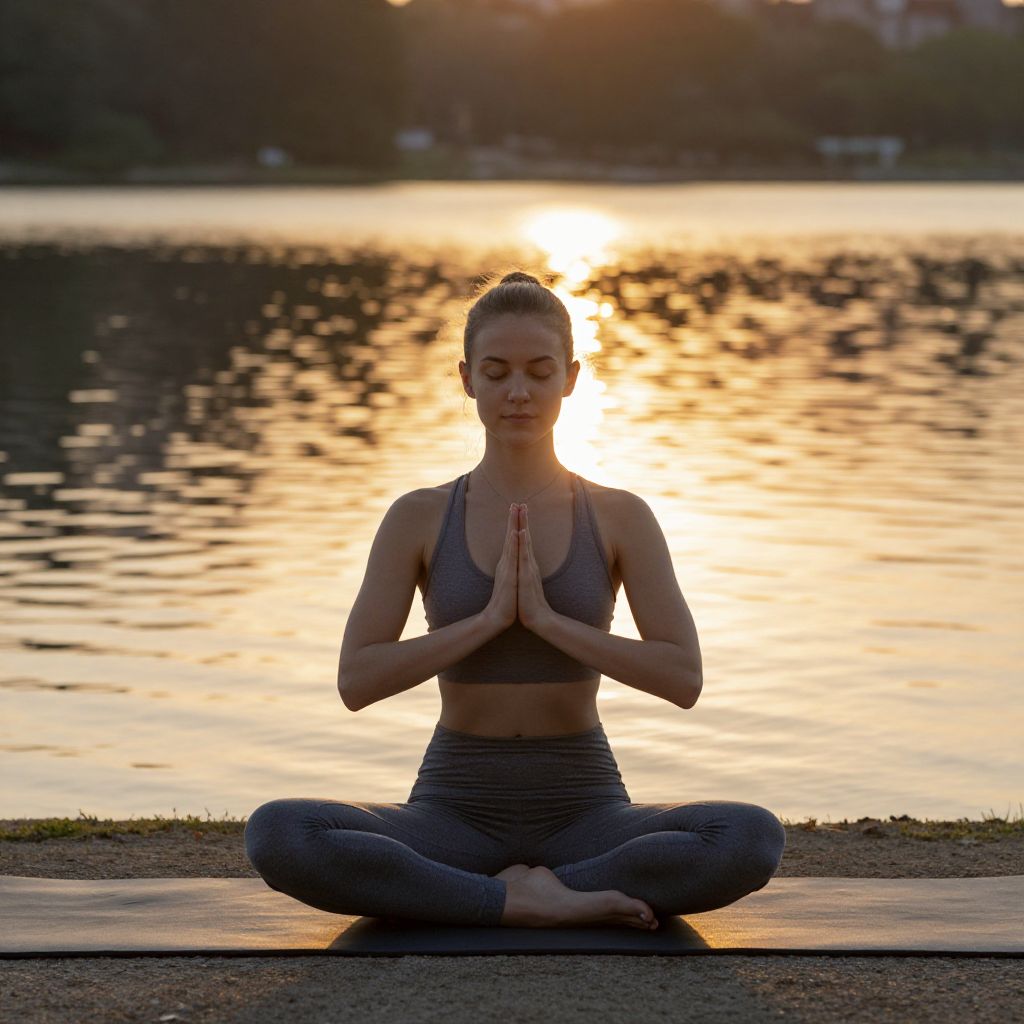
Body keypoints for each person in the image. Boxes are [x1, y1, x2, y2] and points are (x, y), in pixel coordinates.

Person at [244, 270, 786, 930]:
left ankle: (502, 894)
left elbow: (682, 677)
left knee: (748, 837)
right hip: (451, 808)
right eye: (497, 373)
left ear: (572, 378)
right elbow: (357, 680)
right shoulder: (418, 517)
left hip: (586, 808)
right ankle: (521, 900)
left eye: (539, 371)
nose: (519, 392)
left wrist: (550, 622)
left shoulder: (619, 516)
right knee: (281, 834)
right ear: (468, 378)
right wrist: (489, 620)